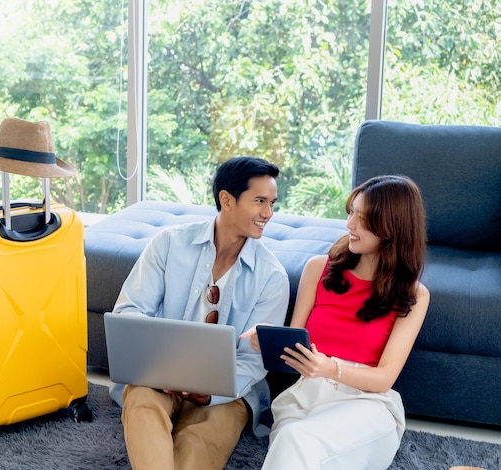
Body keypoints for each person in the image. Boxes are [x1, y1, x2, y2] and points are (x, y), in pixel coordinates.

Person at [109, 156, 290, 470]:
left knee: (199, 442)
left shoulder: (272, 277)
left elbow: (254, 359)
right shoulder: (167, 244)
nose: (268, 213)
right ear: (226, 200)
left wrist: (210, 394)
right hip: (156, 378)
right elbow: (130, 311)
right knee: (140, 401)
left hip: (226, 394)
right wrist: (160, 368)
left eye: (272, 203)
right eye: (259, 201)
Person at [241, 174, 430, 470]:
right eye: (351, 212)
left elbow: (384, 379)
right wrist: (264, 340)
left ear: (392, 229)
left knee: (297, 440)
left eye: (363, 218)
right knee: (293, 436)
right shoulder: (318, 269)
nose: (349, 225)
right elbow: (293, 346)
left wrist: (330, 368)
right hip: (305, 397)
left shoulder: (414, 295)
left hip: (367, 405)